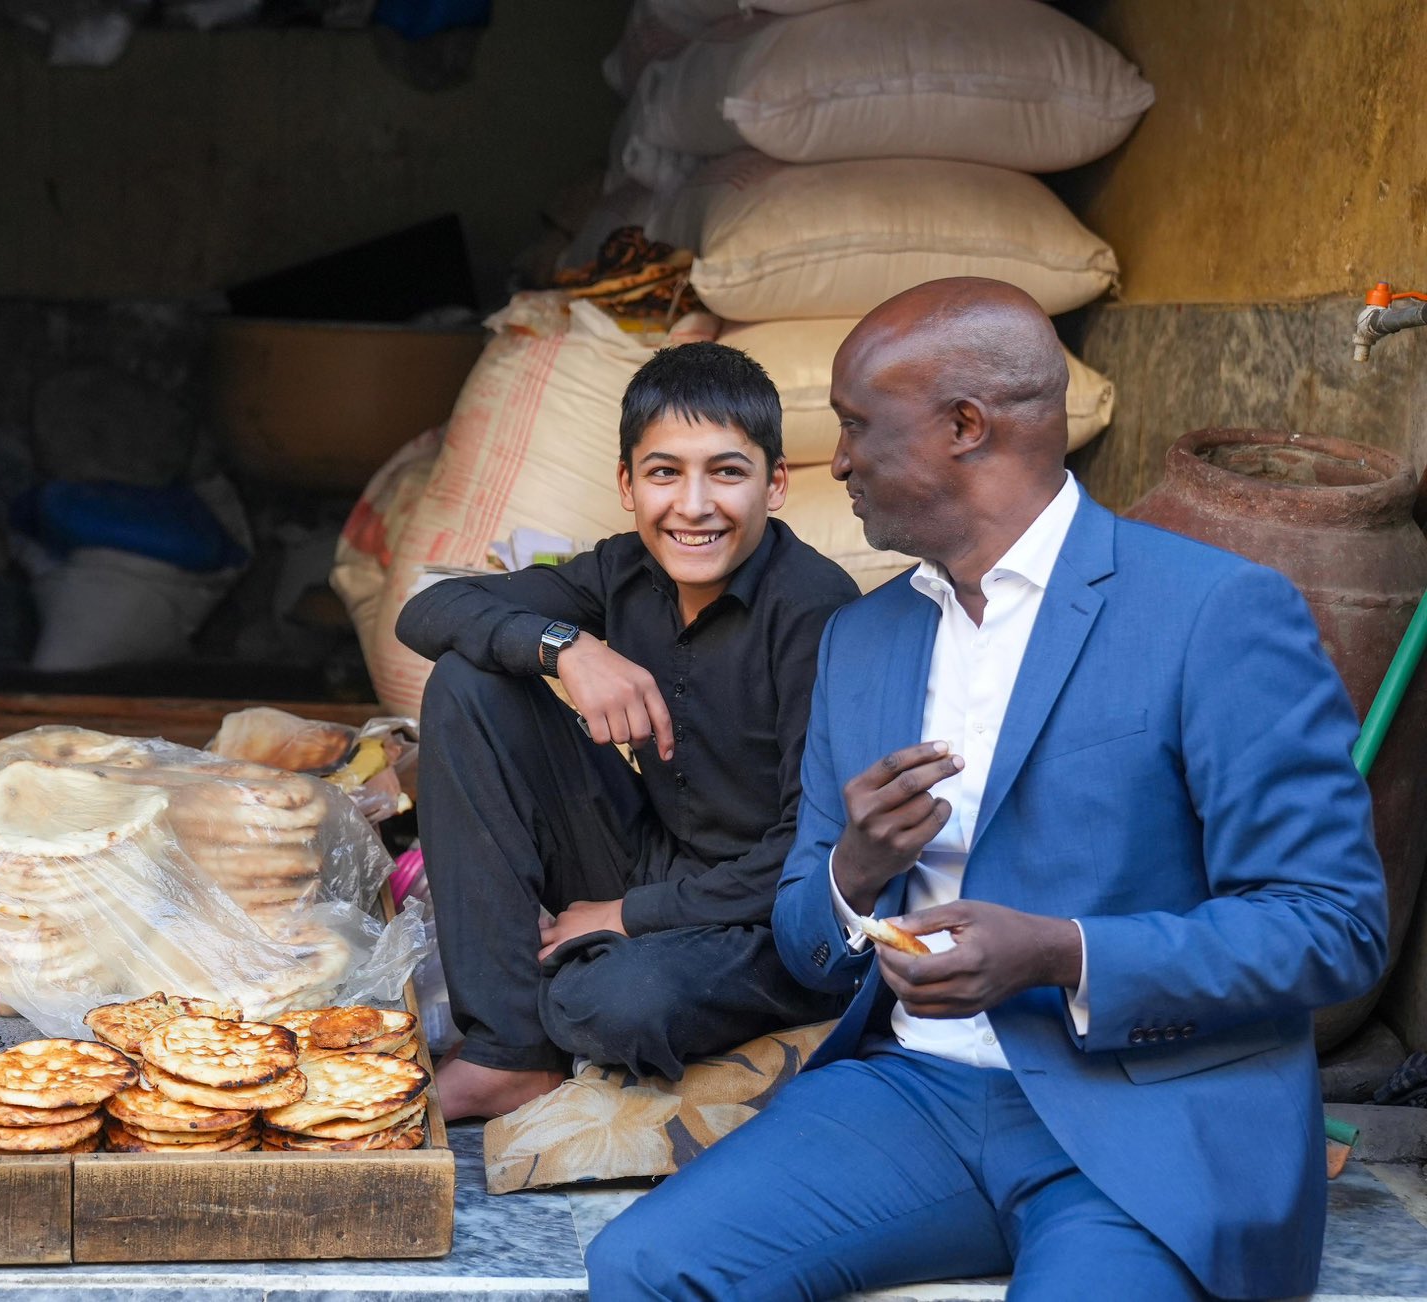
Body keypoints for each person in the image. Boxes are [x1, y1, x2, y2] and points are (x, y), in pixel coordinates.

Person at [586, 278, 1389, 1301]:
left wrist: (1061, 953)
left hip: (1144, 1119)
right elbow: (804, 938)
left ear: (965, 427)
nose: (838, 462)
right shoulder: (863, 639)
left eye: (856, 426)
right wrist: (850, 876)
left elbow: (1332, 925)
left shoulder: (1212, 612)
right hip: (912, 1098)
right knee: (643, 1265)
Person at [397, 341, 859, 1121]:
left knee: (617, 1003)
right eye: (664, 472)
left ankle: (579, 977)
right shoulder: (624, 571)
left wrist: (626, 918)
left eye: (727, 472)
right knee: (469, 682)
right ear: (627, 484)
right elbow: (428, 609)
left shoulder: (814, 610)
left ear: (775, 483)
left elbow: (812, 851)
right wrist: (567, 648)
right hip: (655, 854)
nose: (694, 505)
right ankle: (510, 1049)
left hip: (767, 914)